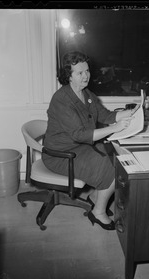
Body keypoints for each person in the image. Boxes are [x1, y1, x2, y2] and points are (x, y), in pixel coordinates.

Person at [42, 51, 139, 230]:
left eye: (87, 71)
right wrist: (114, 128)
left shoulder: (86, 93)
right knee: (110, 166)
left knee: (117, 158)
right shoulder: (62, 100)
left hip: (79, 147)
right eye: (80, 73)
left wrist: (127, 113)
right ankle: (98, 212)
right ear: (68, 76)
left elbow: (105, 114)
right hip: (61, 155)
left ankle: (95, 196)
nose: (86, 75)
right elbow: (79, 134)